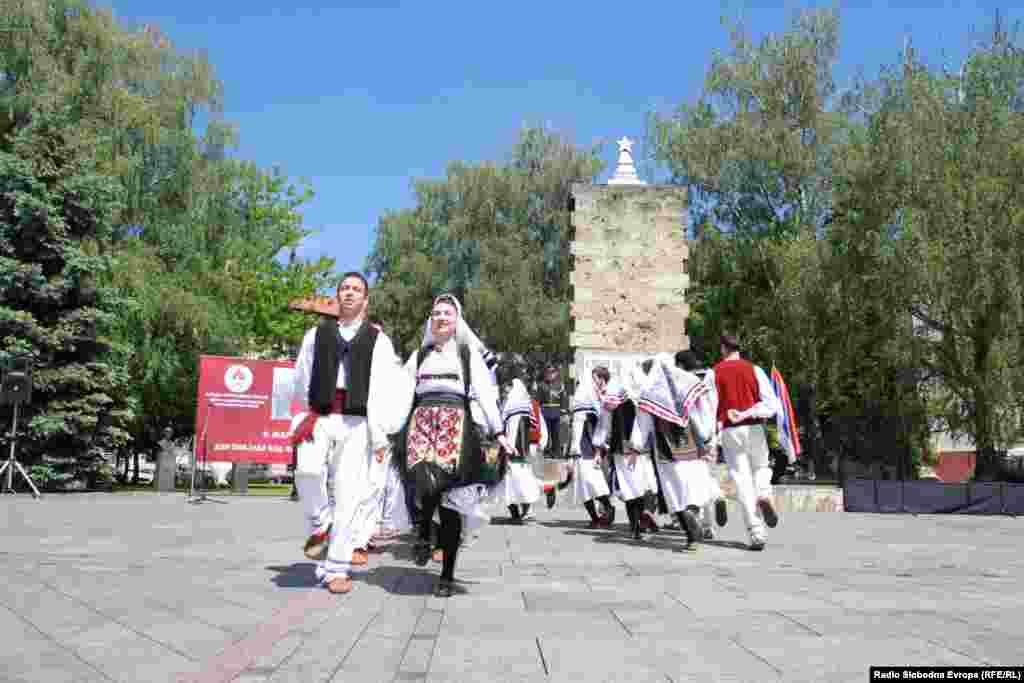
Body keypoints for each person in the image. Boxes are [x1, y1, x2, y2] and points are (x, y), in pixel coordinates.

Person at [288, 272, 405, 595]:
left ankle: (336, 568)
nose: (349, 293)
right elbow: (300, 377)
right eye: (344, 288)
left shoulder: (378, 340)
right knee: (307, 472)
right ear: (336, 297)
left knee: (349, 497)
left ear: (365, 301)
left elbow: (384, 388)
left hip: (358, 423)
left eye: (356, 289)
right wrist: (299, 414)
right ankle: (320, 524)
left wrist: (380, 436)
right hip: (320, 416)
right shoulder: (316, 335)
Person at [398, 293, 516, 597]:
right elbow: (400, 395)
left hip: (456, 428)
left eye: (447, 313)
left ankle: (447, 574)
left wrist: (499, 431)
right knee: (424, 488)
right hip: (422, 425)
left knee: (451, 502)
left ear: (456, 320)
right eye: (436, 313)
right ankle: (424, 531)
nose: (441, 318)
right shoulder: (419, 356)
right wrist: (387, 432)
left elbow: (485, 395)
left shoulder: (467, 355)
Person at [631, 354, 719, 550]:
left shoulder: (648, 391)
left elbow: (642, 424)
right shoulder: (688, 382)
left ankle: (691, 536)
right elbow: (704, 410)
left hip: (666, 450)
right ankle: (696, 511)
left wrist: (636, 446)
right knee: (695, 486)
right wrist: (707, 434)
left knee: (674, 492)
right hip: (691, 445)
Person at [704, 334, 781, 551]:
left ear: (723, 349)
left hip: (730, 431)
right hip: (755, 427)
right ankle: (764, 493)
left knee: (742, 480)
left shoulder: (713, 373)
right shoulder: (755, 369)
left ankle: (756, 532)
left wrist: (709, 438)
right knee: (762, 467)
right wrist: (750, 411)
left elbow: (710, 409)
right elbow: (771, 404)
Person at [675, 350, 728, 539]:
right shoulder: (710, 376)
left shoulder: (684, 381)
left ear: (681, 365)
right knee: (709, 474)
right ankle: (710, 521)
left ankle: (709, 514)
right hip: (712, 432)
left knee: (696, 478)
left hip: (694, 436)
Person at [496, 362, 545, 523]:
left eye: (508, 387)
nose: (506, 390)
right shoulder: (526, 405)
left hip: (513, 453)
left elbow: (509, 429)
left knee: (511, 484)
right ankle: (524, 512)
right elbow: (534, 425)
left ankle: (518, 514)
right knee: (521, 482)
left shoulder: (511, 405)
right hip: (522, 453)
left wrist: (508, 448)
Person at [569, 367, 616, 528]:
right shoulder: (588, 400)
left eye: (595, 378)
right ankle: (595, 518)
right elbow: (576, 426)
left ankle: (608, 509)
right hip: (580, 450)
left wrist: (596, 450)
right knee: (583, 487)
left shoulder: (594, 402)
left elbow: (596, 429)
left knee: (593, 483)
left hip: (588, 450)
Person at [537, 365, 567, 458]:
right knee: (546, 433)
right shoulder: (541, 385)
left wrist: (564, 411)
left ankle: (556, 452)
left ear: (556, 373)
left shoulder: (560, 385)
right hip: (545, 412)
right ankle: (547, 451)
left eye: (552, 372)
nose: (550, 375)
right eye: (548, 373)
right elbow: (539, 400)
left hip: (556, 411)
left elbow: (563, 398)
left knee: (556, 433)